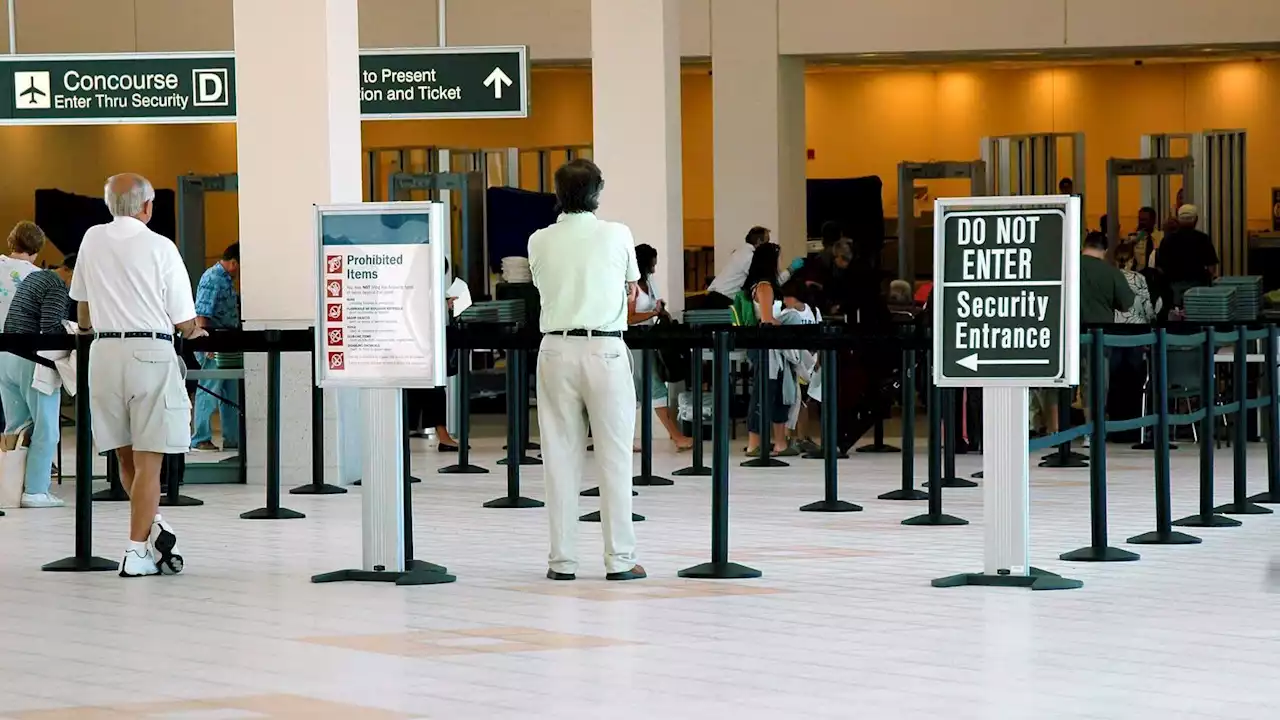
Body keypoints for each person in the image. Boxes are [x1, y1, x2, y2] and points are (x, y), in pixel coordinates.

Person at [71, 173, 206, 578]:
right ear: (147, 207)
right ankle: (135, 552)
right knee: (151, 462)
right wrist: (194, 330)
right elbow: (183, 318)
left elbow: (83, 310)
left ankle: (154, 529)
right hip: (150, 352)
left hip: (104, 354)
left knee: (125, 454)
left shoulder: (91, 239)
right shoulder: (161, 246)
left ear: (109, 204)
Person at [528, 159, 645, 582]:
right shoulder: (617, 234)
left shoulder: (539, 240)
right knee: (614, 458)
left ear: (558, 195)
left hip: (556, 349)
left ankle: (562, 563)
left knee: (558, 457)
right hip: (606, 350)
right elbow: (632, 288)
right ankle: (621, 561)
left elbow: (544, 287)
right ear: (598, 191)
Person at [0, 251, 74, 508]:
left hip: (7, 356)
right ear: (73, 272)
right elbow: (50, 327)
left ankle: (10, 488)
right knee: (46, 428)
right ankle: (35, 490)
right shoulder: (56, 286)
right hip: (32, 360)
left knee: (16, 428)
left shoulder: (37, 277)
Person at [628, 243, 691, 451]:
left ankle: (624, 439)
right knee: (653, 386)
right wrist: (653, 314)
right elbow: (629, 318)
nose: (654, 269)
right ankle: (676, 436)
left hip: (650, 340)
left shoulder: (649, 282)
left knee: (635, 391)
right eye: (652, 264)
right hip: (635, 341)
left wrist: (658, 309)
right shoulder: (631, 286)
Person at [1078, 231, 1134, 436]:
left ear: (1085, 245)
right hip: (1098, 334)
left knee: (1061, 382)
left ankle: (1055, 430)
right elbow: (1127, 305)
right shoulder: (1111, 273)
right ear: (1106, 250)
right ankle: (1091, 431)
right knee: (1095, 382)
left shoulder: (1066, 266)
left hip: (1065, 333)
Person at [742, 242, 793, 457]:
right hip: (766, 347)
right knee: (764, 392)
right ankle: (754, 443)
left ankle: (780, 442)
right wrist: (789, 325)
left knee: (779, 392)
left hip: (775, 348)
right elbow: (766, 319)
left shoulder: (767, 285)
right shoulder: (763, 286)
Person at [191, 243, 241, 452]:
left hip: (228, 343)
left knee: (230, 393)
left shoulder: (227, 280)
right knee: (209, 390)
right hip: (213, 342)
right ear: (234, 262)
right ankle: (200, 438)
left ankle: (233, 438)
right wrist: (206, 343)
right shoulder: (212, 278)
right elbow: (202, 314)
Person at [1155, 204, 1218, 304]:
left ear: (1179, 220)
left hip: (1174, 287)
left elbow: (1160, 269)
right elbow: (1211, 268)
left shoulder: (1167, 240)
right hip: (1198, 287)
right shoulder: (1203, 239)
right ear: (1196, 220)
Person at [697, 226, 771, 309]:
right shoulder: (749, 257)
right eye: (767, 241)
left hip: (714, 295)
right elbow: (764, 279)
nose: (769, 245)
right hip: (723, 300)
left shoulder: (740, 252)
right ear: (759, 241)